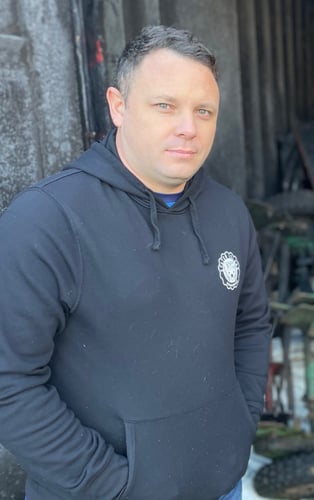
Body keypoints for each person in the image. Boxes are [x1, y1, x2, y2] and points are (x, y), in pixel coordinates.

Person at [0, 25, 272, 499]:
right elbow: (10, 383)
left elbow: (251, 326)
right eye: (165, 105)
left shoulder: (229, 212)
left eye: (203, 110)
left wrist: (239, 427)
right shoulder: (48, 220)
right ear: (118, 106)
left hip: (223, 487)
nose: (188, 126)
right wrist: (111, 484)